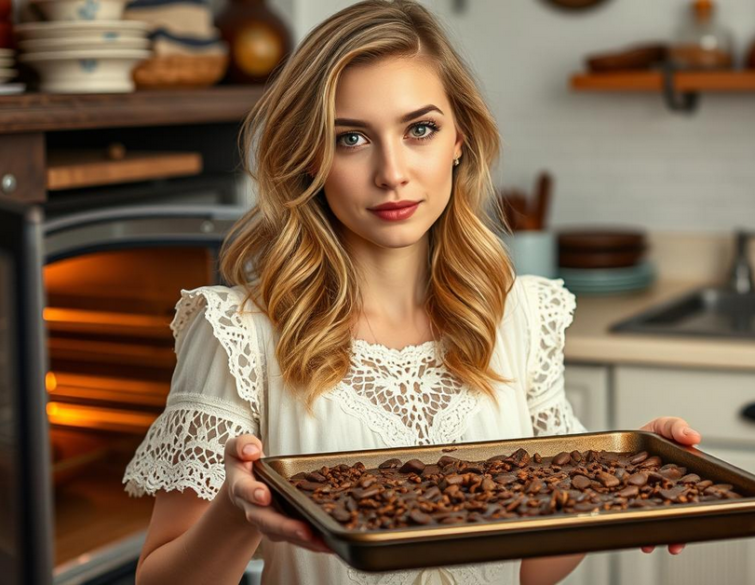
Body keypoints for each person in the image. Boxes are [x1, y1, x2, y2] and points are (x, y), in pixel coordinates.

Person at [122, 1, 701, 583]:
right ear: (310, 159)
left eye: (419, 129)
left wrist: (626, 491)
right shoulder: (237, 332)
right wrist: (237, 510)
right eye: (350, 138)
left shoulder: (520, 315)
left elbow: (527, 568)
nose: (391, 172)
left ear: (459, 139)